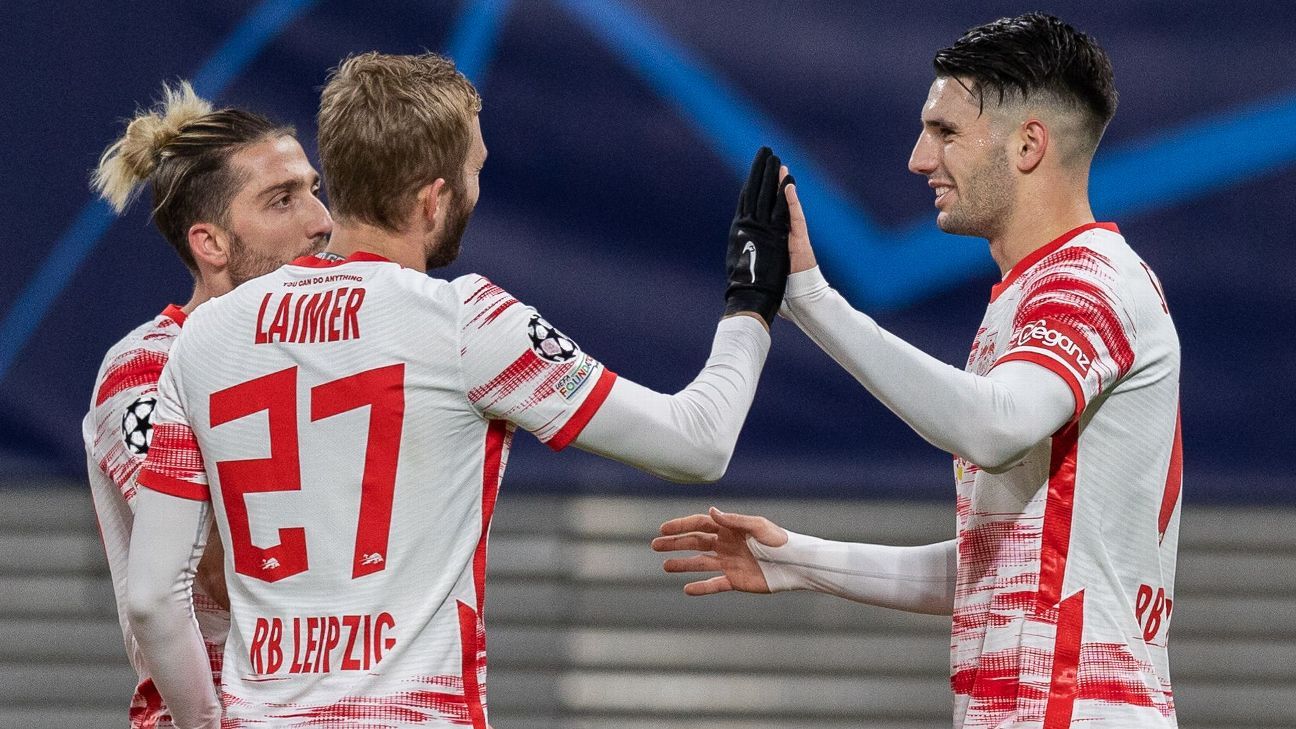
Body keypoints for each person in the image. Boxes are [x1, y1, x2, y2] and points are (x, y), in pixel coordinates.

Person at [125, 52, 791, 728]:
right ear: (432, 199)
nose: (476, 189)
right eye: (474, 171)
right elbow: (698, 442)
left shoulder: (204, 337)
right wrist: (752, 301)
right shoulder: (467, 322)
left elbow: (152, 599)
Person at [654, 12, 1181, 728]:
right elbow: (1001, 566)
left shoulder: (1089, 281)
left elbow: (994, 429)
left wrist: (814, 302)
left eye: (945, 131)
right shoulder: (1032, 297)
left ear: (1029, 144)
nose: (917, 158)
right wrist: (797, 560)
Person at [83, 80, 331, 728]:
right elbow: (220, 567)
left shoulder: (332, 352)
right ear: (211, 244)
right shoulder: (145, 369)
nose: (321, 221)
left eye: (314, 190)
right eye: (282, 199)